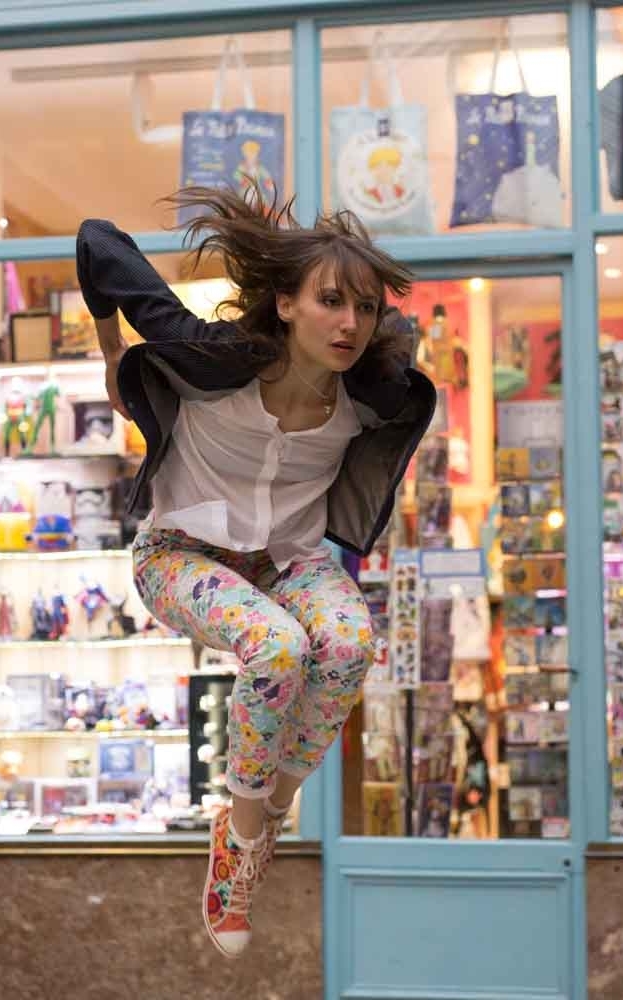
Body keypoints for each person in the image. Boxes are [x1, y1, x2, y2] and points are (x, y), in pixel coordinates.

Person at [75, 188, 435, 958]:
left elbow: (396, 359)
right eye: (331, 302)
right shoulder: (212, 357)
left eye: (364, 309)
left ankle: (264, 816)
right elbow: (97, 240)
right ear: (285, 304)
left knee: (348, 644)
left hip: (288, 563)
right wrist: (111, 359)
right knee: (277, 646)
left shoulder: (371, 397)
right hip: (180, 556)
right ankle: (237, 855)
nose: (350, 324)